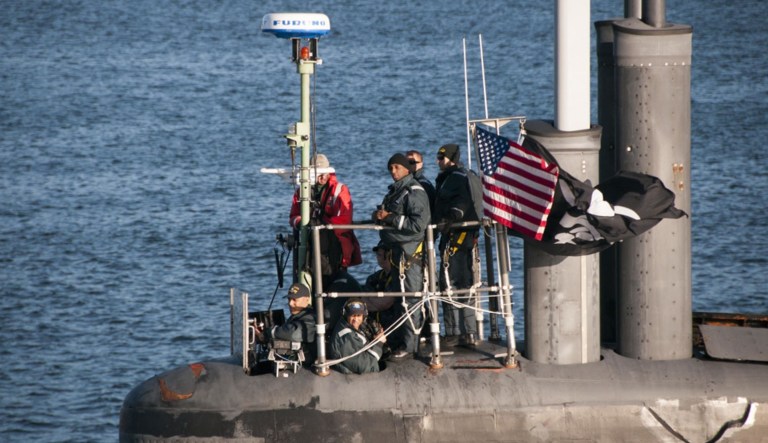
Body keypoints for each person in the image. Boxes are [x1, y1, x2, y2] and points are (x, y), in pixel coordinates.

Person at [372, 153, 431, 360]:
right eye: (390, 169)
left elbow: (418, 225)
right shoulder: (396, 192)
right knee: (400, 301)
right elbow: (387, 216)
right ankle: (399, 341)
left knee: (410, 301)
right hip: (397, 257)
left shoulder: (414, 192)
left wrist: (390, 218)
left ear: (407, 169)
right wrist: (379, 216)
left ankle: (410, 345)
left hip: (410, 257)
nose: (393, 172)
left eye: (397, 168)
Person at [288, 154, 362, 286]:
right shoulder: (301, 192)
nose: (322, 177)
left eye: (325, 173)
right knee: (312, 281)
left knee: (334, 282)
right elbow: (293, 216)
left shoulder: (340, 190)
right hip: (311, 246)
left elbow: (344, 219)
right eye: (318, 174)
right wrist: (301, 222)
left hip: (335, 246)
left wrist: (321, 224)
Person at [434, 143, 480, 348]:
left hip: (457, 238)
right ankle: (466, 331)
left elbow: (462, 203)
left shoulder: (456, 179)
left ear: (451, 158)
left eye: (441, 158)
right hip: (459, 238)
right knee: (461, 283)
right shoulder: (456, 177)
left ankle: (457, 332)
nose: (438, 161)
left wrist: (450, 217)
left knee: (452, 282)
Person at [253, 283, 317, 360]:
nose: (290, 303)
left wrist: (270, 332)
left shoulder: (310, 317)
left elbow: (294, 334)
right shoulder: (297, 316)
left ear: (307, 299)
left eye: (294, 300)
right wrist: (262, 336)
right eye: (289, 299)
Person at [330, 299, 385, 374]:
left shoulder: (352, 327)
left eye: (359, 315)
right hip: (356, 380)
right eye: (353, 315)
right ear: (346, 315)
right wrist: (378, 344)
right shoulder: (346, 337)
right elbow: (365, 366)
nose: (356, 319)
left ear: (363, 316)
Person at [406, 150, 436, 214]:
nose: (407, 165)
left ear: (421, 164)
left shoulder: (423, 184)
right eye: (406, 162)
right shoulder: (407, 182)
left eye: (411, 162)